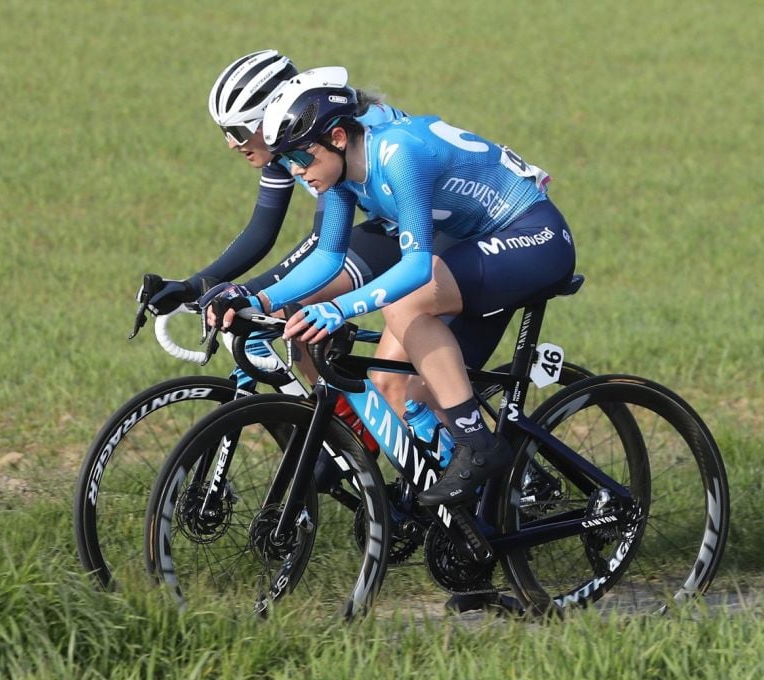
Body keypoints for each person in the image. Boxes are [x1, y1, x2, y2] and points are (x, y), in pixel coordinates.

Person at [207, 71, 576, 508]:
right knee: (396, 386)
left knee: (405, 306)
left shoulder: (399, 155)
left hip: (533, 236)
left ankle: (481, 446)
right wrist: (258, 299)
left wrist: (338, 310)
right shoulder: (342, 175)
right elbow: (328, 259)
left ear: (338, 137)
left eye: (302, 159)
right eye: (287, 163)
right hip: (480, 246)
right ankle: (488, 513)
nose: (298, 173)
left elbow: (417, 267)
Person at [142, 51, 431, 412]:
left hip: (428, 231)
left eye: (238, 131)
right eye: (224, 132)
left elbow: (322, 244)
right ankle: (343, 431)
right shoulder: (288, 151)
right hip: (389, 225)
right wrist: (196, 284)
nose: (231, 144)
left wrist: (245, 294)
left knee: (294, 313)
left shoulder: (324, 141)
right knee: (296, 321)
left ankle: (351, 431)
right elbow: (261, 232)